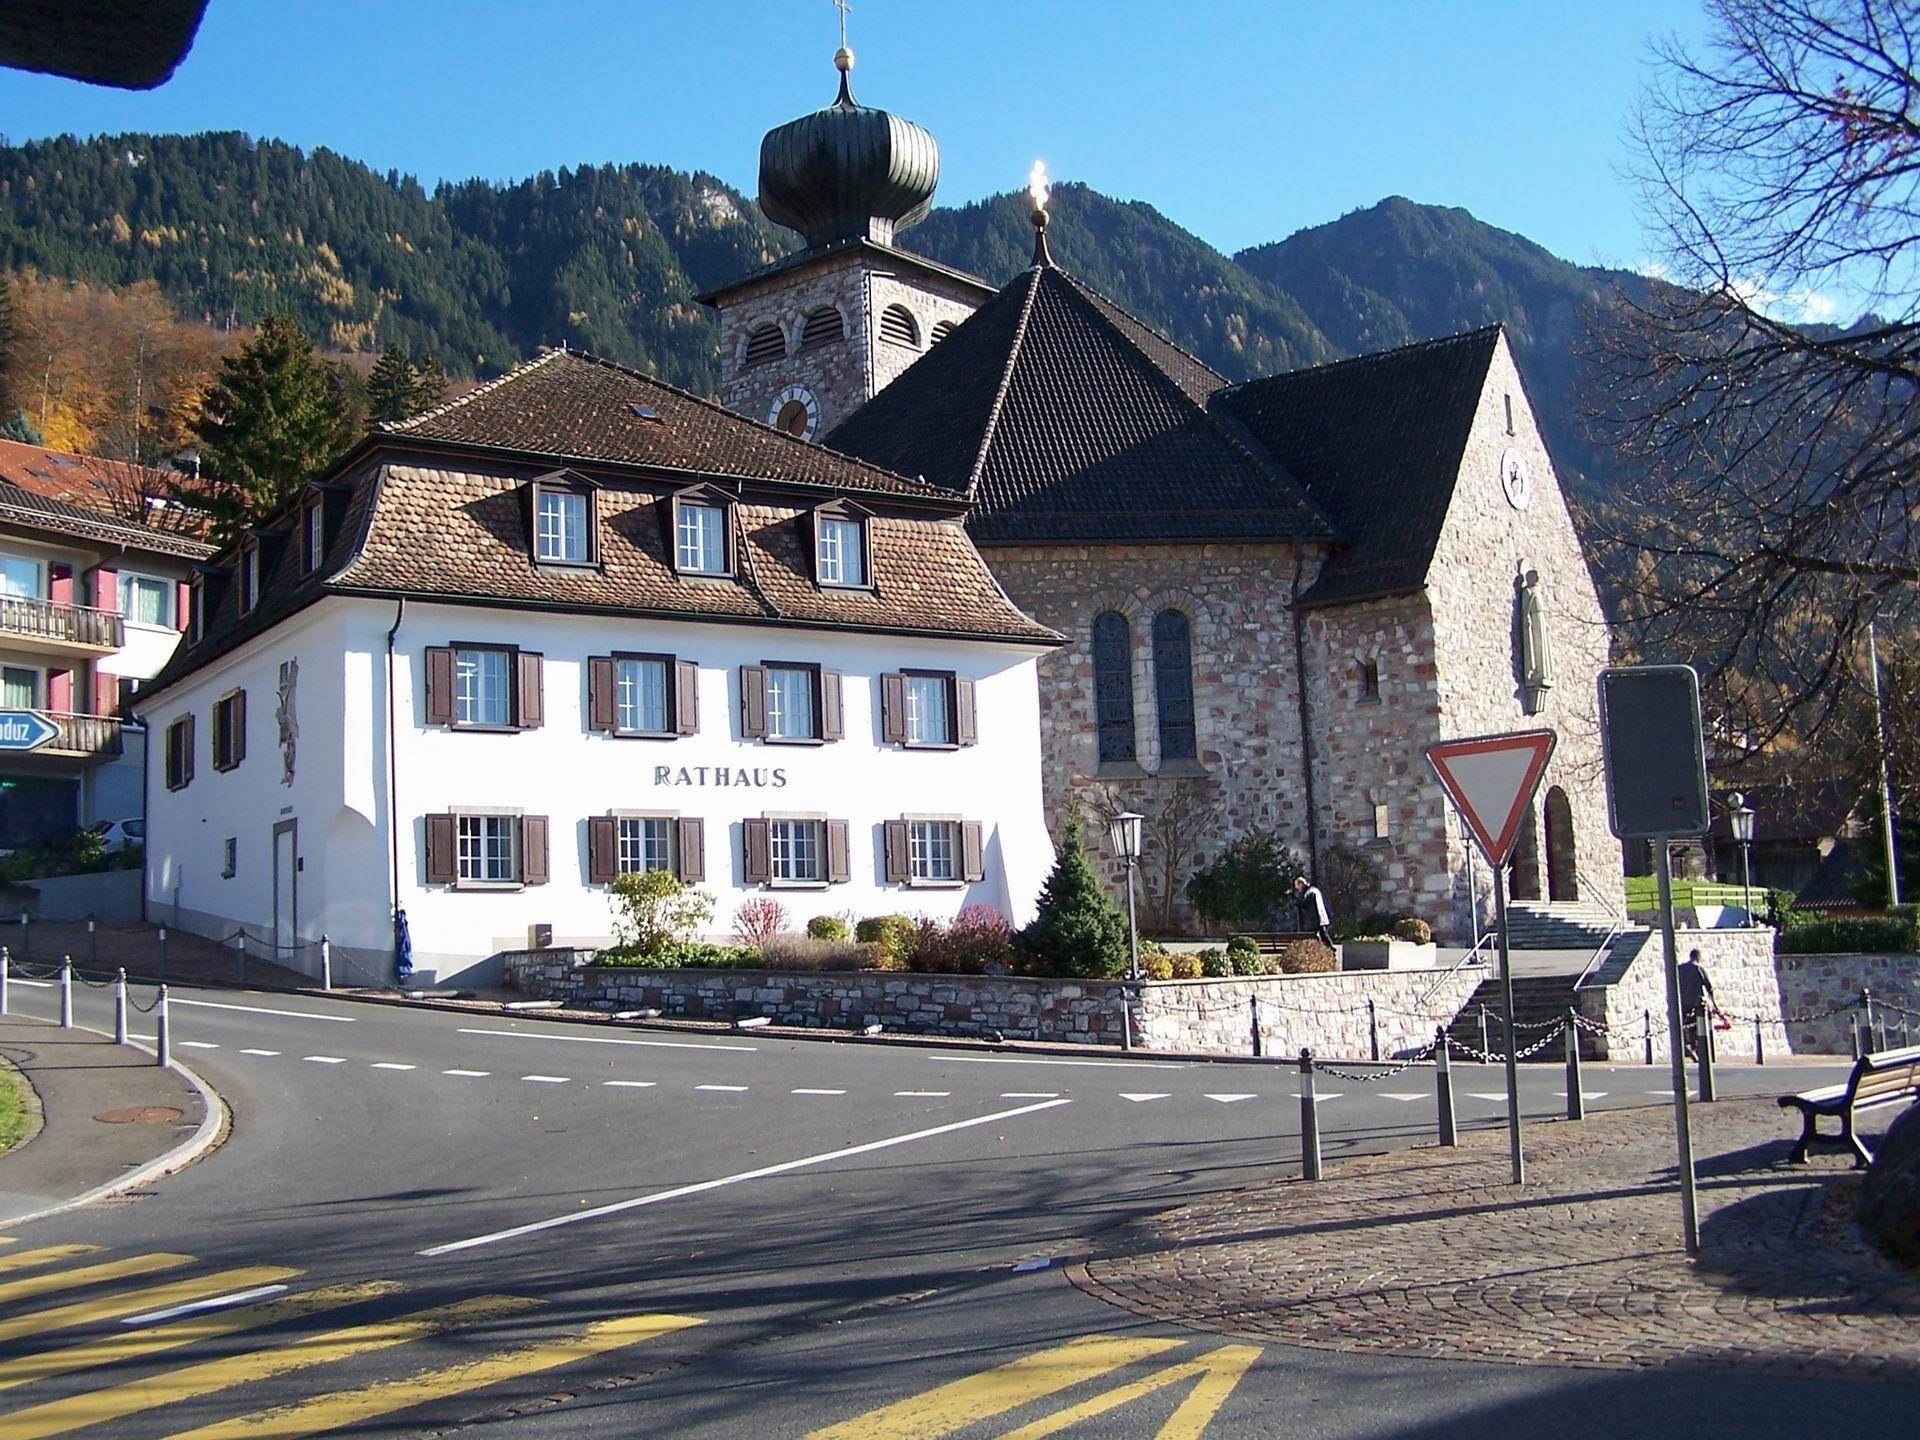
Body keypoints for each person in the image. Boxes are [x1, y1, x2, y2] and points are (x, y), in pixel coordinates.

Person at [1677, 948, 1718, 1060]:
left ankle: (1686, 1045)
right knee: (1698, 1026)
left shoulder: (1679, 969)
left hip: (1682, 1002)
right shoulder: (1699, 969)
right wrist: (1715, 1005)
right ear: (1698, 957)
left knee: (1684, 1025)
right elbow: (1709, 988)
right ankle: (1694, 1048)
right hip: (1696, 1003)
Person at [1292, 875, 1333, 949]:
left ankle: (1331, 950)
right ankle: (1330, 950)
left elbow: (1303, 904)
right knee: (1322, 936)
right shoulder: (1313, 890)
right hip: (1320, 918)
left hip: (1316, 920)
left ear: (1301, 884)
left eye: (1297, 885)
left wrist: (1292, 897)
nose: (1296, 888)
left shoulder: (1310, 892)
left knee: (1317, 936)